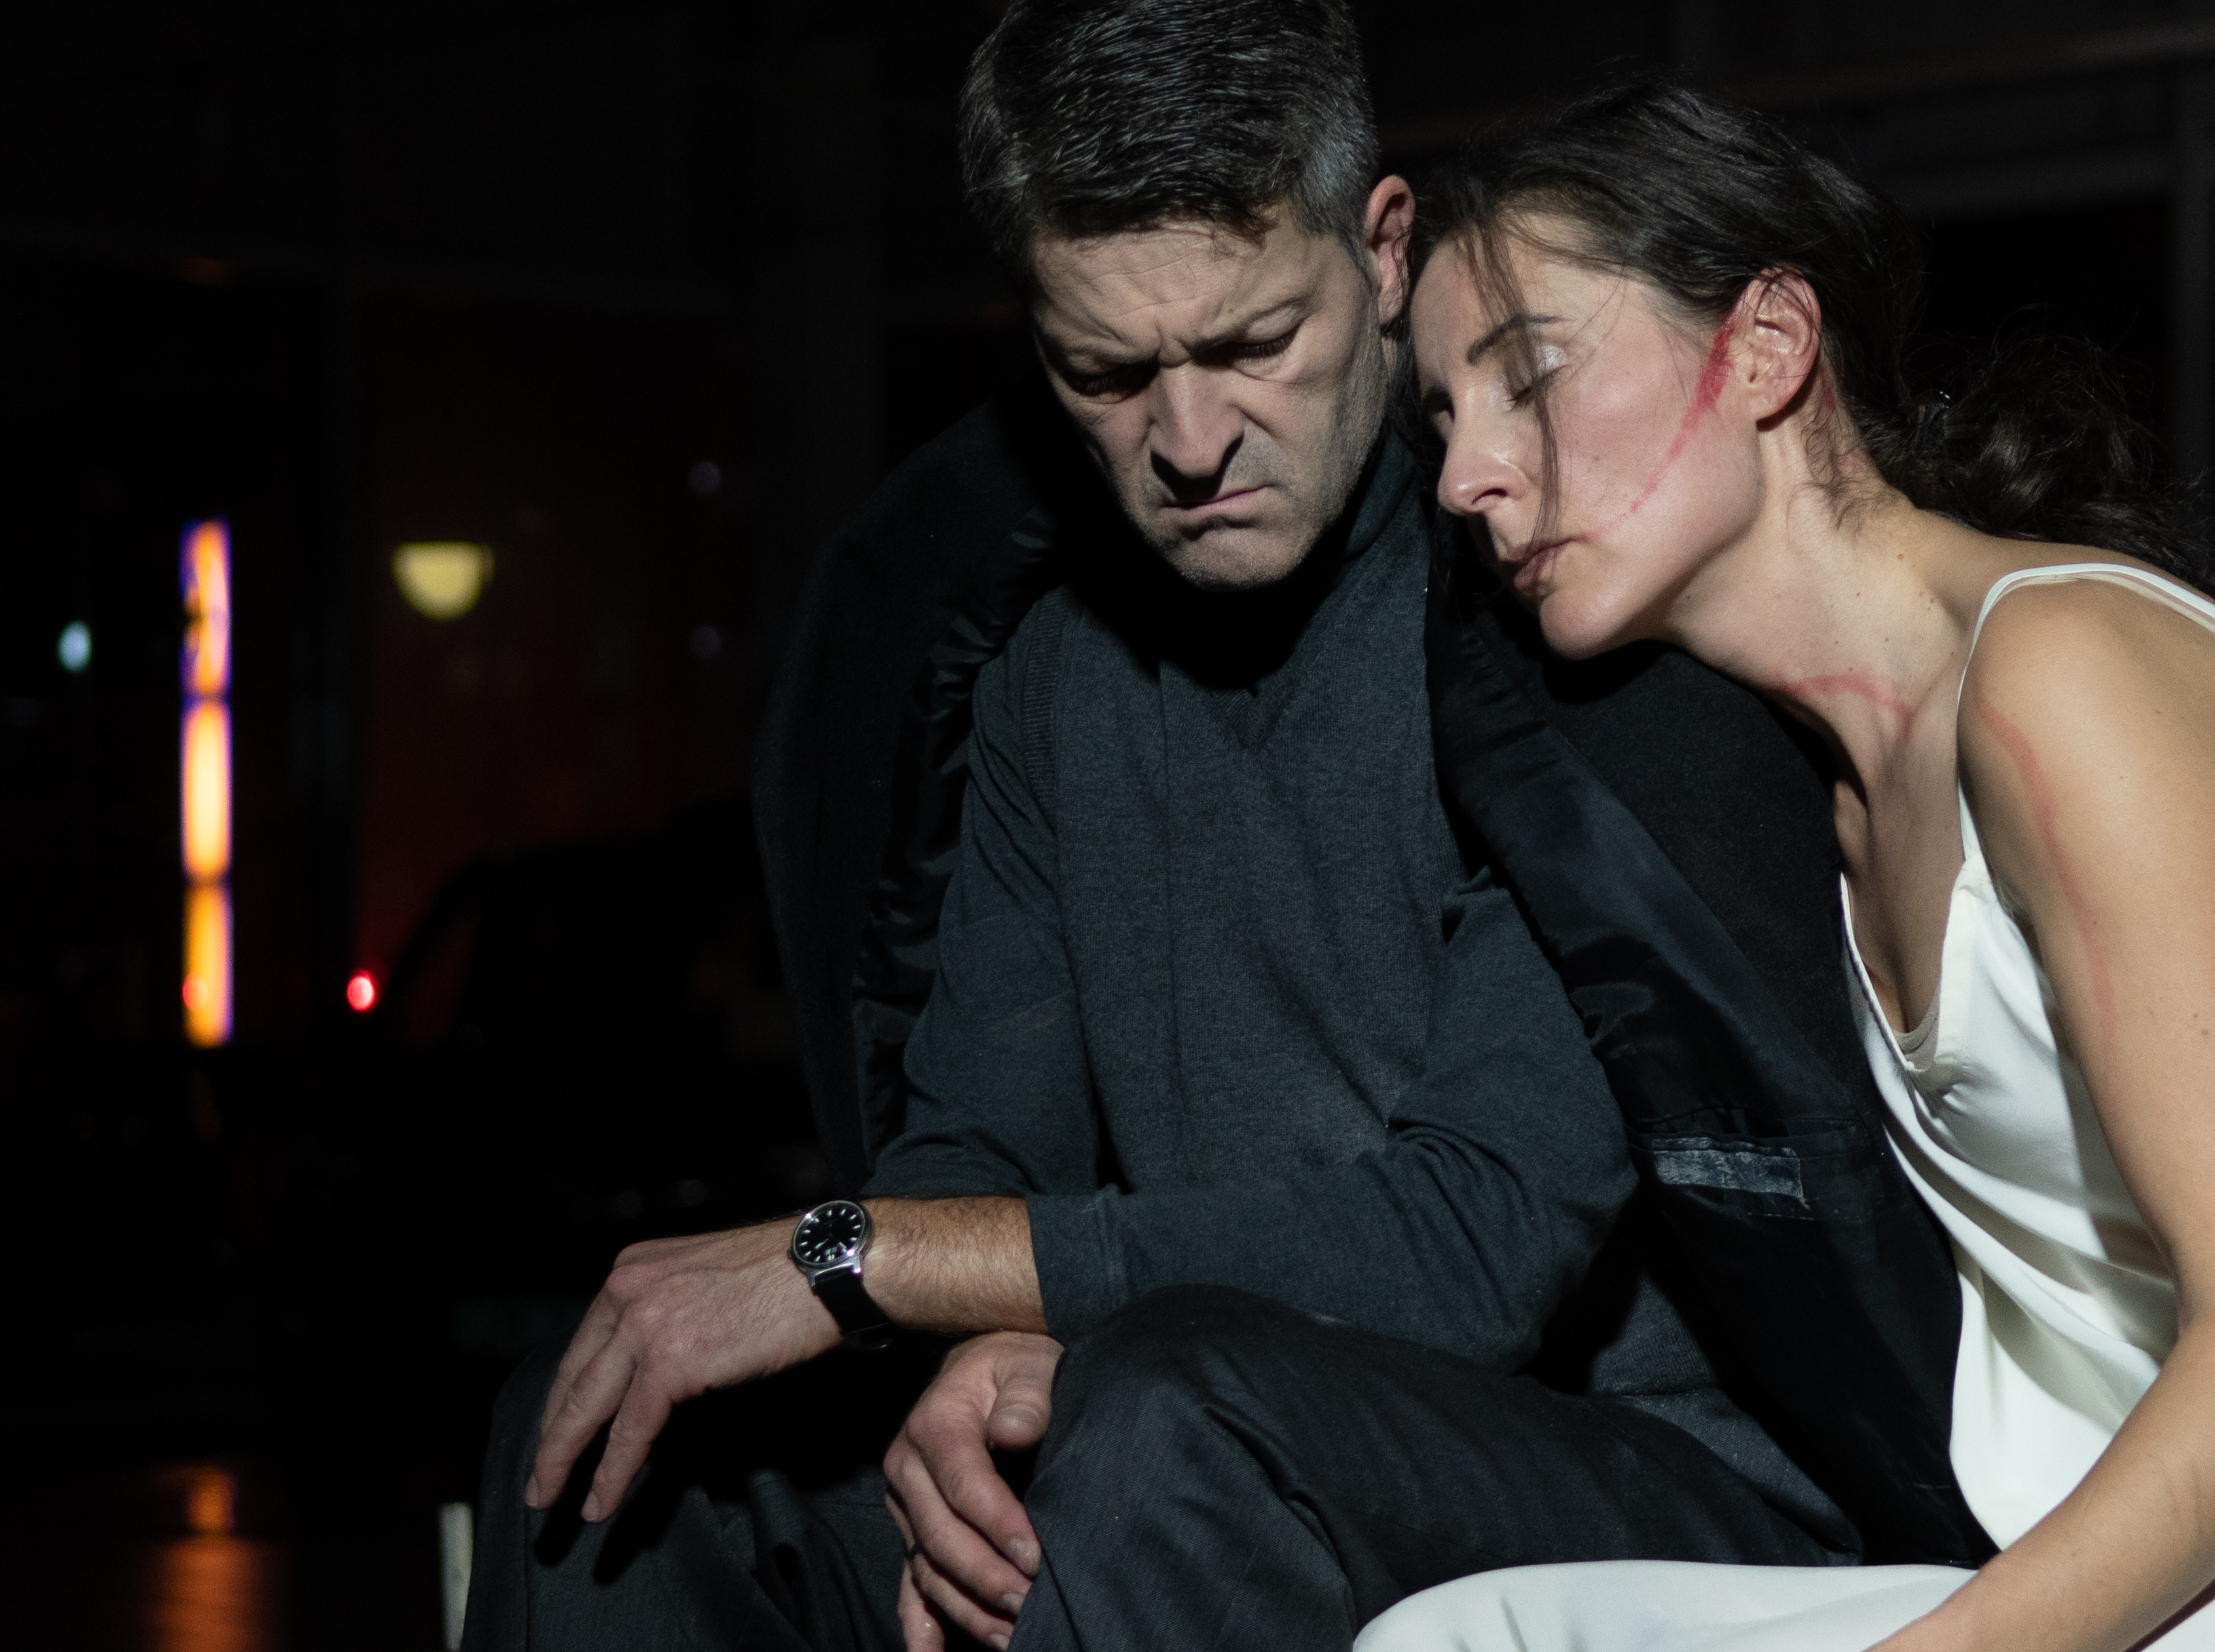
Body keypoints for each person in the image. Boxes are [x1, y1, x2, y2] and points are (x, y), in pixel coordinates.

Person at [458, 12, 1962, 1651]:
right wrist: (969, 1351)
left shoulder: (1553, 610)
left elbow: (1468, 1248)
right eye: (1104, 373)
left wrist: (866, 1258)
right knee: (613, 1422)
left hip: (1641, 1469)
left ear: (1379, 253)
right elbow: (978, 1151)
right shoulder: (1044, 669)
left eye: (1252, 343)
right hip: (1192, 1406)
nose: (1185, 445)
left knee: (1163, 1418)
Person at [1392, 76, 2215, 1652]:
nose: (1462, 475)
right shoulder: (1838, 797)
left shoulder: (2056, 669)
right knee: (1452, 1633)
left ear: (1767, 345)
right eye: (1439, 419)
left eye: (1527, 378)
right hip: (2093, 1562)